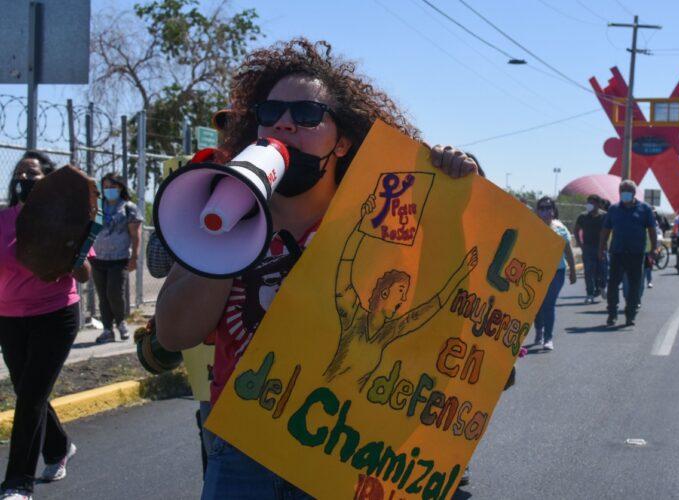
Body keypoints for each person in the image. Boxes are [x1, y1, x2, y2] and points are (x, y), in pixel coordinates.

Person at [155, 38, 478, 499]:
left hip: (344, 448)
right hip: (242, 450)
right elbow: (174, 333)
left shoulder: (381, 227)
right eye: (270, 112)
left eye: (307, 114)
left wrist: (456, 192)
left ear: (343, 140)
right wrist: (232, 227)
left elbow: (441, 315)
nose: (285, 123)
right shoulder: (220, 216)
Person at [0, 152, 93, 500]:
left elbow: (83, 274)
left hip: (56, 315)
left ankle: (18, 483)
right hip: (9, 317)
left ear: (49, 181)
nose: (24, 179)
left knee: (30, 397)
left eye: (33, 175)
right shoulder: (3, 219)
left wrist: (74, 253)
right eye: (20, 174)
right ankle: (57, 448)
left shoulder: (70, 217)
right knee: (28, 390)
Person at [92, 173, 143, 343]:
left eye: (112, 187)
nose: (108, 190)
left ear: (120, 187)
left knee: (114, 291)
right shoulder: (98, 207)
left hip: (119, 259)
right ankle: (107, 329)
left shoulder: (129, 208)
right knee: (103, 295)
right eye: (105, 187)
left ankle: (120, 322)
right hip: (98, 259)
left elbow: (135, 235)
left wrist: (135, 257)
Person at [599, 180, 657, 327]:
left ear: (633, 192)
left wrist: (654, 248)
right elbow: (606, 230)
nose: (624, 193)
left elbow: (651, 230)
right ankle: (612, 314)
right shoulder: (613, 209)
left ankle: (630, 315)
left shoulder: (645, 209)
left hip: (636, 254)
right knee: (613, 285)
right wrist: (601, 248)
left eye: (627, 190)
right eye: (622, 190)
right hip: (617, 253)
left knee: (634, 286)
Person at [532, 196, 576, 350]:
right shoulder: (531, 228)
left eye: (548, 208)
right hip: (535, 272)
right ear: (537, 211)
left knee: (549, 304)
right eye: (542, 208)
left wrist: (573, 271)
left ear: (554, 211)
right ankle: (539, 329)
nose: (545, 211)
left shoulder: (561, 229)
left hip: (556, 272)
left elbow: (568, 252)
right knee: (536, 305)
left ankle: (548, 337)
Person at [574, 194, 606, 303]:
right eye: (588, 203)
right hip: (588, 248)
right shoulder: (582, 217)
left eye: (592, 203)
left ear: (598, 204)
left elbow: (610, 231)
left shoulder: (604, 216)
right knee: (588, 271)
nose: (589, 205)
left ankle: (602, 286)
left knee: (603, 270)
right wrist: (580, 243)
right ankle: (590, 294)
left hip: (602, 248)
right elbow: (576, 230)